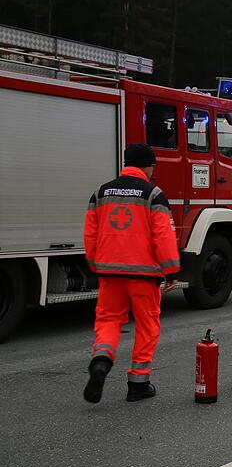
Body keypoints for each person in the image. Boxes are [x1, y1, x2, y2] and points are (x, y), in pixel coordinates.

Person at [83, 144, 180, 404]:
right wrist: (171, 270)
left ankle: (101, 359)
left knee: (108, 319)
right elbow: (163, 235)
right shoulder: (153, 194)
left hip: (109, 272)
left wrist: (95, 263)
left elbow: (90, 233)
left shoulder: (101, 192)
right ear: (148, 166)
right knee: (147, 325)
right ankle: (138, 383)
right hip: (143, 275)